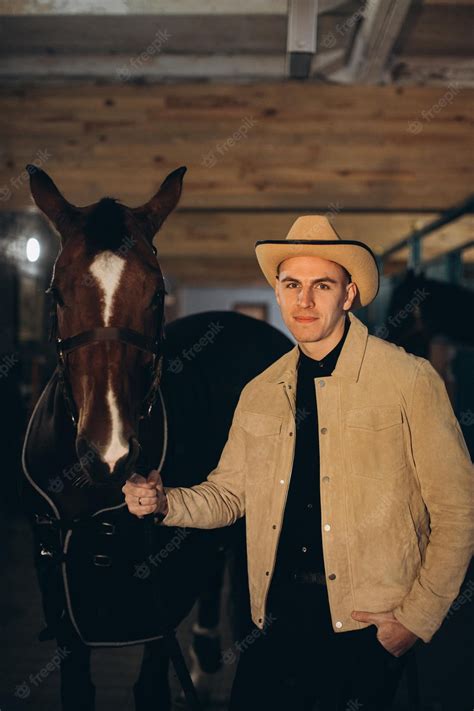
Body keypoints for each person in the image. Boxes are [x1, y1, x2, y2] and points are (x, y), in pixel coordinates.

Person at [123, 215, 474, 710]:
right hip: (274, 624)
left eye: (321, 285)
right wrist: (163, 502)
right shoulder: (261, 392)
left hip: (367, 629)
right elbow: (229, 495)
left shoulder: (407, 381)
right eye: (291, 285)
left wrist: (414, 620)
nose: (303, 301)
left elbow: (460, 510)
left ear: (348, 294)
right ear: (279, 291)